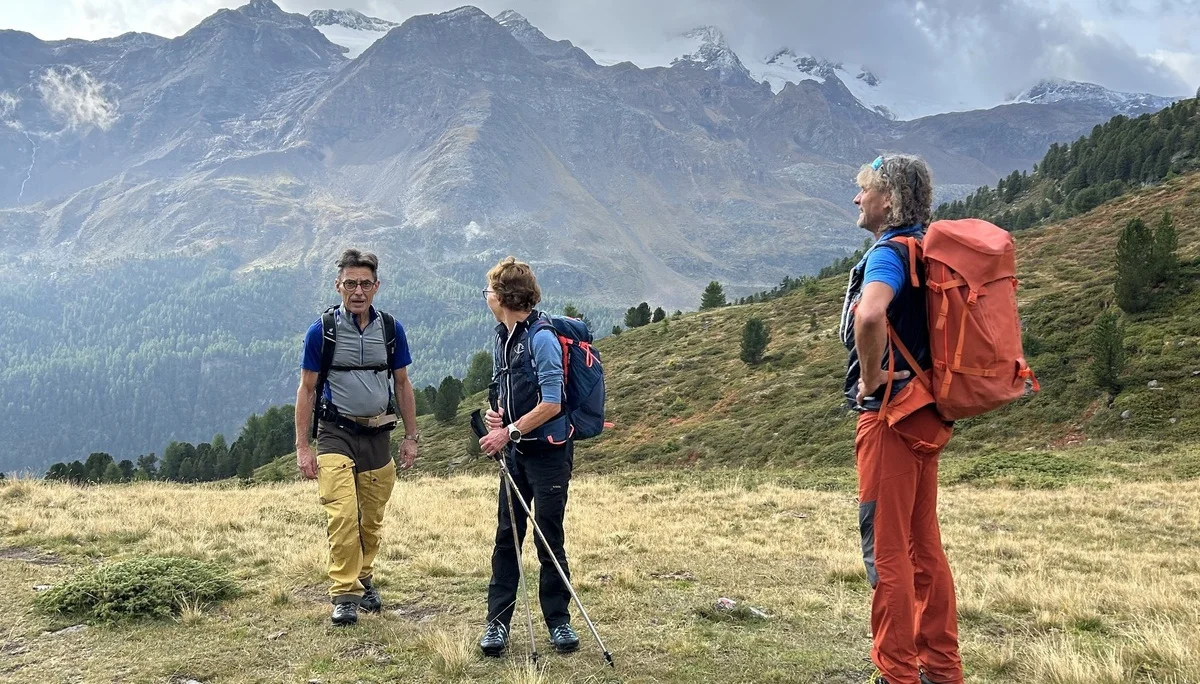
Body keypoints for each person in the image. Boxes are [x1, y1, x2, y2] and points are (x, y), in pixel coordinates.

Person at [840, 155, 963, 684]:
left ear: (888, 199)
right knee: (924, 548)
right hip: (928, 417)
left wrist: (870, 379)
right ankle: (942, 667)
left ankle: (896, 673)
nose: (857, 198)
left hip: (890, 419)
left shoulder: (888, 254)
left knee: (887, 552)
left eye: (864, 189)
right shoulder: (927, 250)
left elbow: (870, 314)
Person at [294, 248, 419, 626]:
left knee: (371, 519)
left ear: (376, 286)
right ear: (339, 286)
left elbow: (402, 383)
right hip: (335, 433)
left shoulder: (392, 330)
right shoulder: (323, 331)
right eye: (351, 283)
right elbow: (307, 389)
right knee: (343, 515)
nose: (358, 290)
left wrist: (412, 436)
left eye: (365, 283)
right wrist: (303, 446)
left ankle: (364, 578)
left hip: (378, 434)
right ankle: (345, 594)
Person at [476, 256, 580, 657]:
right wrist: (497, 414)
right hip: (517, 455)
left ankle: (559, 622)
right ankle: (497, 624)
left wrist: (509, 431)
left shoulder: (541, 338)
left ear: (502, 296)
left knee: (547, 537)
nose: (486, 297)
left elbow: (553, 403)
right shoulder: (504, 336)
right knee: (508, 536)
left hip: (548, 455)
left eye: (488, 291)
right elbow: (513, 392)